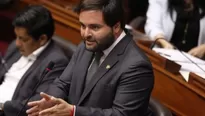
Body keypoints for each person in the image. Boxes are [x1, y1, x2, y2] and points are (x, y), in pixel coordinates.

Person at [26, 0, 154, 116]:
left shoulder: (137, 66)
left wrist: (73, 112)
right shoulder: (86, 46)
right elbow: (63, 83)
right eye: (83, 26)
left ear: (116, 27)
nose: (85, 34)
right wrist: (51, 100)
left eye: (94, 27)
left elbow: (121, 114)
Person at [0, 5, 69, 116]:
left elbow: (37, 103)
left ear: (42, 39)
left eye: (23, 39)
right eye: (16, 37)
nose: (17, 43)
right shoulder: (16, 46)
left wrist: (2, 106)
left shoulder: (56, 62)